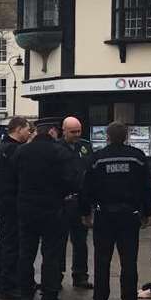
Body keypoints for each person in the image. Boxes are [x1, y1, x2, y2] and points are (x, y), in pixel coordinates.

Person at [80, 122, 151, 300]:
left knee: (102, 260)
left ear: (107, 136)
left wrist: (85, 212)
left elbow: (86, 188)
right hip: (129, 215)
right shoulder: (137, 157)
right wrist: (147, 212)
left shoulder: (97, 158)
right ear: (127, 136)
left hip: (104, 214)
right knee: (129, 260)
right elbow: (148, 187)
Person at [13, 117, 77, 300]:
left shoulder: (22, 151)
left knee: (26, 252)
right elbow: (71, 181)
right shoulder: (59, 152)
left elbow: (14, 174)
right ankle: (49, 297)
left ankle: (26, 296)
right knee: (51, 253)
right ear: (51, 131)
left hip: (26, 208)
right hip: (51, 208)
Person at [0, 116, 32, 300]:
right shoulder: (15, 150)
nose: (29, 133)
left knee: (4, 242)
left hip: (0, 201)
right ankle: (8, 285)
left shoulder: (0, 149)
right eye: (27, 130)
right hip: (10, 203)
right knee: (12, 244)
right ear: (18, 129)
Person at [60, 117, 94, 290]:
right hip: (63, 201)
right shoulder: (57, 148)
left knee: (80, 240)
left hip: (81, 200)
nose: (76, 135)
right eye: (72, 132)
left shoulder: (85, 146)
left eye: (78, 131)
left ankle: (80, 275)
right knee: (59, 240)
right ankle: (57, 275)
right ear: (63, 130)